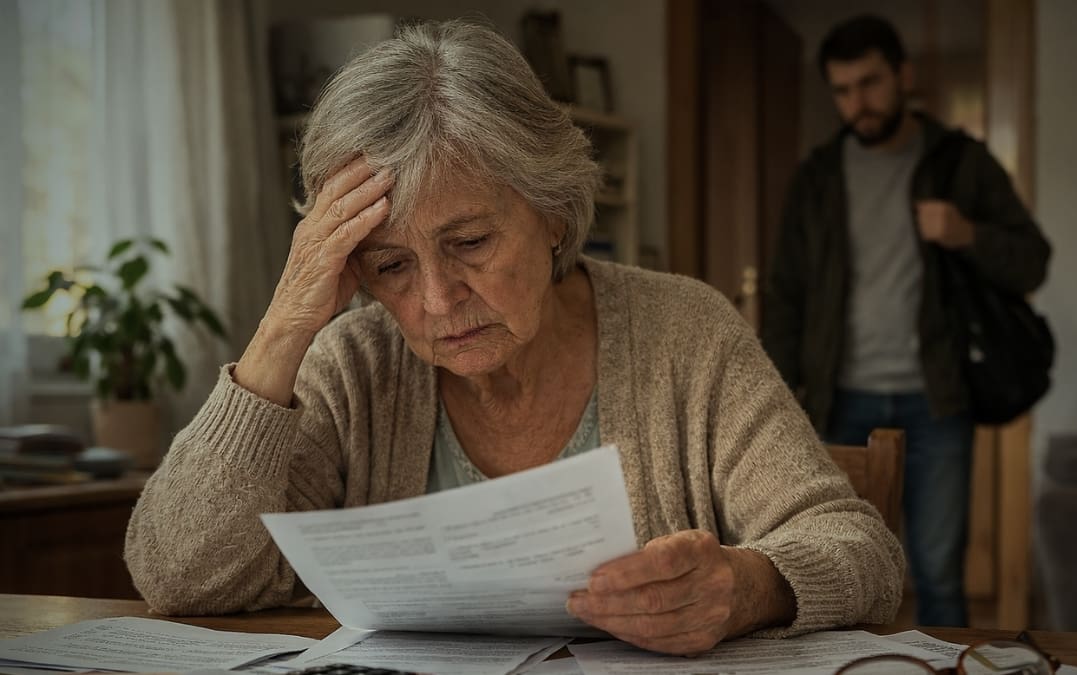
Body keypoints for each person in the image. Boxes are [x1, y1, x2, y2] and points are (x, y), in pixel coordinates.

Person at [125, 19, 904, 655]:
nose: (436, 299)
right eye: (391, 264)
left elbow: (859, 548)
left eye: (469, 243)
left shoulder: (685, 334)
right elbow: (176, 574)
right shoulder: (354, 366)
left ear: (553, 210)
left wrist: (747, 586)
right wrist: (283, 328)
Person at [761, 15, 1050, 628]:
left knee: (940, 570)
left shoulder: (960, 163)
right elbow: (786, 294)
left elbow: (1032, 260)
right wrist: (782, 398)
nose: (857, 104)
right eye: (842, 91)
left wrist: (966, 232)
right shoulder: (816, 179)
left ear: (904, 76)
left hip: (938, 399)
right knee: (836, 564)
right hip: (839, 399)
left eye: (869, 84)